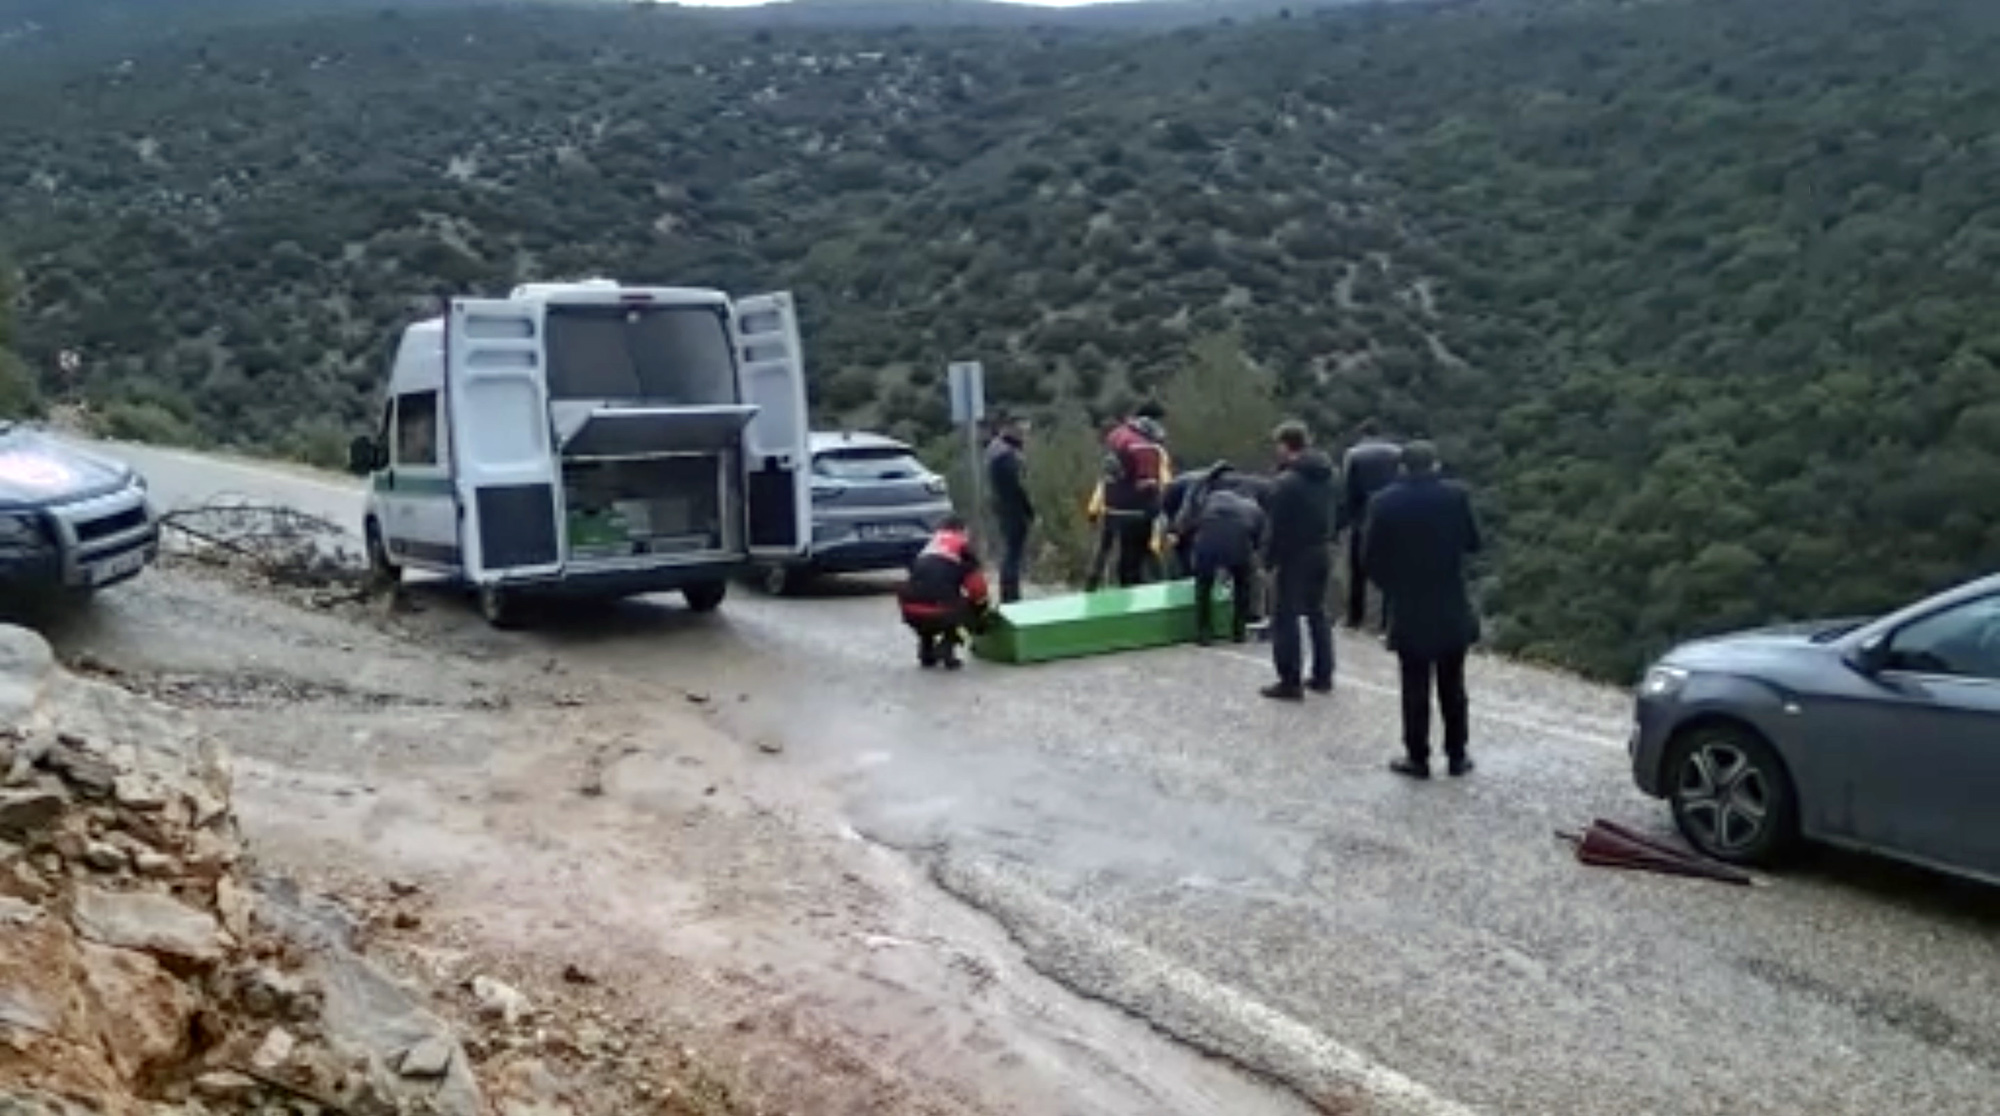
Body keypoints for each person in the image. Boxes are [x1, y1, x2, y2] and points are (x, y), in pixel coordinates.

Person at [1362, 440, 1482, 778]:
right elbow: (1474, 542)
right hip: (1449, 598)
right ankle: (1457, 755)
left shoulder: (1384, 503)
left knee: (1414, 685)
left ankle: (1418, 757)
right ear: (1435, 464)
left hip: (1410, 602)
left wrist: (1393, 587)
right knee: (1453, 683)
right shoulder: (1457, 496)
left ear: (1402, 467)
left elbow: (1370, 559)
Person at [1259, 422, 1336, 700]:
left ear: (1285, 445)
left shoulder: (1286, 483)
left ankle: (1289, 681)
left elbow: (1276, 526)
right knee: (1317, 612)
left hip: (1294, 554)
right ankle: (1323, 675)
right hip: (1321, 549)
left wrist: (1267, 560)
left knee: (1285, 616)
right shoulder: (1327, 475)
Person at [1084, 410, 1170, 590]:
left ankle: (1090, 589)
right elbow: (1147, 484)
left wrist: (1094, 508)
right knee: (1134, 561)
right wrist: (1159, 505)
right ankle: (1134, 597)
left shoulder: (1116, 436)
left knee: (1103, 553)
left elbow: (1105, 478)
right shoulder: (1144, 447)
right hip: (1136, 512)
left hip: (1110, 506)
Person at [896, 515, 992, 671]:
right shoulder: (962, 548)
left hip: (910, 610)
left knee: (932, 599)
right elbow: (977, 589)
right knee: (967, 609)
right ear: (962, 530)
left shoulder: (929, 547)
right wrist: (982, 609)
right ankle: (947, 646)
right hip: (939, 611)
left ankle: (926, 649)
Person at [1339, 418, 1403, 631]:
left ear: (1362, 434)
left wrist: (1346, 519)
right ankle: (1388, 621)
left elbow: (1348, 490)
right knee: (1392, 569)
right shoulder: (1397, 452)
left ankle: (1355, 618)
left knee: (1358, 570)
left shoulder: (1354, 454)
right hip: (1392, 516)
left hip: (1363, 516)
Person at [1187, 472, 1265, 645]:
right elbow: (1258, 538)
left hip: (1208, 544)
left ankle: (1204, 632)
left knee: (1203, 588)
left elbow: (1193, 521)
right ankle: (1238, 630)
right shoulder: (1252, 506)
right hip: (1238, 545)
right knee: (1242, 584)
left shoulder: (1209, 499)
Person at [984, 416, 1035, 603]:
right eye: (1022, 429)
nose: (1025, 434)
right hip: (1012, 509)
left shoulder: (994, 449)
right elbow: (1018, 486)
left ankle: (1009, 593)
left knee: (1009, 551)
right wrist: (1029, 510)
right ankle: (1011, 596)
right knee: (1012, 554)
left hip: (1001, 506)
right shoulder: (1007, 455)